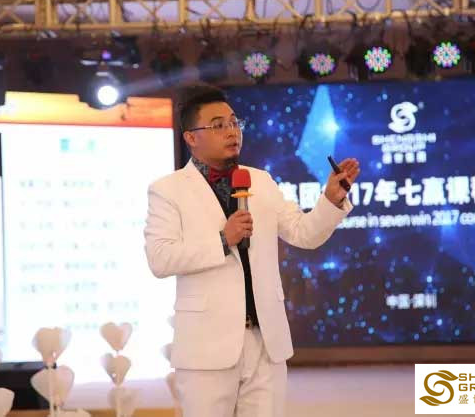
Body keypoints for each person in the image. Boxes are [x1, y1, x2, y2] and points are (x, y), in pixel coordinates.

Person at [144, 84, 360, 417]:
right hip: (206, 346)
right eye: (218, 125)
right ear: (191, 137)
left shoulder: (260, 181)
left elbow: (303, 233)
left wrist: (331, 199)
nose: (232, 132)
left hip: (265, 342)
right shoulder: (167, 190)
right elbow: (160, 258)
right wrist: (222, 239)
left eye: (234, 123)